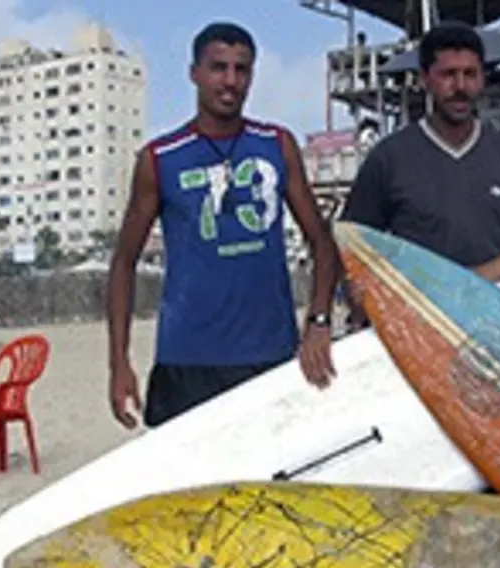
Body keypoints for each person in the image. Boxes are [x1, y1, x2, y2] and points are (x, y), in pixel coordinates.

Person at [106, 22, 340, 429]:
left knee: (272, 483)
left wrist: (319, 322)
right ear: (194, 72)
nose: (230, 81)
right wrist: (119, 362)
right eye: (218, 68)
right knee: (189, 488)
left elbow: (322, 241)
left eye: (241, 69)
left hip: (269, 355)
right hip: (188, 360)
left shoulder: (276, 144)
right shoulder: (160, 158)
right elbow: (124, 262)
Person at [340, 21, 500, 284]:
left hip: (496, 316)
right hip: (419, 314)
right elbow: (354, 245)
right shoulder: (388, 159)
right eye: (448, 74)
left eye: (470, 74)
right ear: (424, 79)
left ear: (482, 78)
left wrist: (477, 280)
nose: (460, 86)